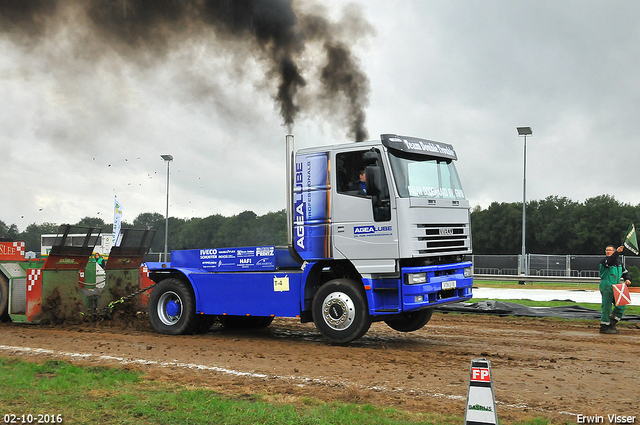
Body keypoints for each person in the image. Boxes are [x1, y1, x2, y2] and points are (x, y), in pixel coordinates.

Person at [598, 245, 631, 334]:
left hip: (617, 287)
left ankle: (612, 323)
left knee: (622, 305)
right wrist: (617, 252)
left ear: (613, 251)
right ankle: (604, 327)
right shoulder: (604, 261)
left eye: (610, 250)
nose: (608, 252)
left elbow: (625, 272)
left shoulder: (619, 262)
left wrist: (627, 279)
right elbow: (610, 261)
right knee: (607, 307)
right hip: (606, 286)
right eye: (607, 250)